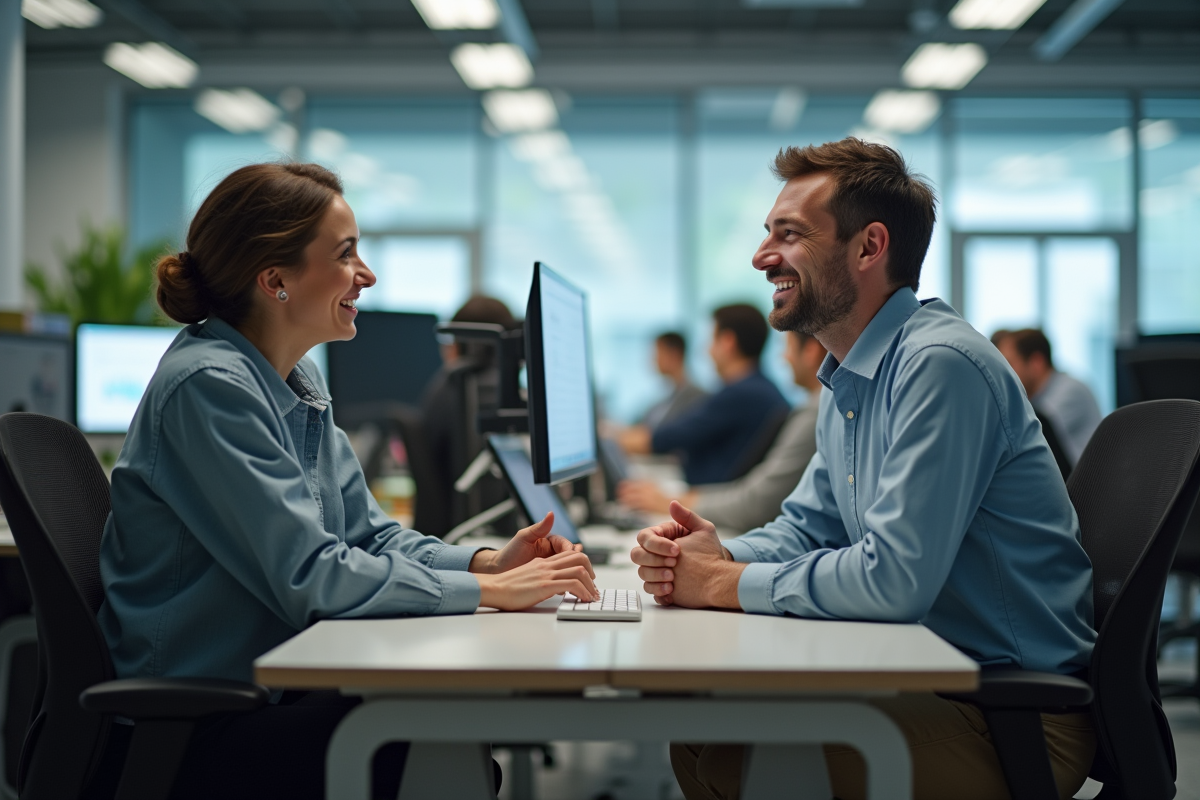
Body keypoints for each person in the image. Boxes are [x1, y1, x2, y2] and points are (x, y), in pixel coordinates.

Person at [95, 163, 599, 800]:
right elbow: (314, 577)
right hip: (187, 729)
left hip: (266, 689)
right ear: (275, 280)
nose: (367, 274)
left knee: (447, 726)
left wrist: (487, 563)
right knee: (436, 739)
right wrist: (486, 592)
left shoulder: (295, 383)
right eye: (345, 254)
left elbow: (370, 536)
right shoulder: (210, 388)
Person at [630, 139, 1096, 800]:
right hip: (927, 673)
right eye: (768, 233)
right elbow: (805, 528)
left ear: (869, 247)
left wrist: (724, 583)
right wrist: (716, 555)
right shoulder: (849, 377)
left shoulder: (940, 366)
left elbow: (894, 579)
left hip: (1011, 716)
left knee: (740, 755)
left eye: (789, 234)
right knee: (701, 730)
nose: (762, 256)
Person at [618, 331, 825, 533]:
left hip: (732, 514)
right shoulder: (765, 390)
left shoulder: (746, 393)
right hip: (730, 507)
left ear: (727, 342)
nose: (784, 357)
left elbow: (756, 503)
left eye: (788, 346)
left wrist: (672, 502)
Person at [619, 305, 789, 486]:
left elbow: (671, 437)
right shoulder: (762, 389)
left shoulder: (741, 394)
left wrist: (614, 439)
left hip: (710, 495)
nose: (707, 351)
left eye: (712, 340)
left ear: (728, 342)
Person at [992, 328, 1102, 466]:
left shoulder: (1071, 390)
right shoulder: (1034, 397)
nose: (1003, 373)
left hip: (1084, 479)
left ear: (1036, 363)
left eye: (1009, 363)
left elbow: (1025, 434)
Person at [640, 332, 708, 431]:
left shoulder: (697, 398)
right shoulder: (668, 397)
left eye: (658, 353)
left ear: (674, 354)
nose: (654, 359)